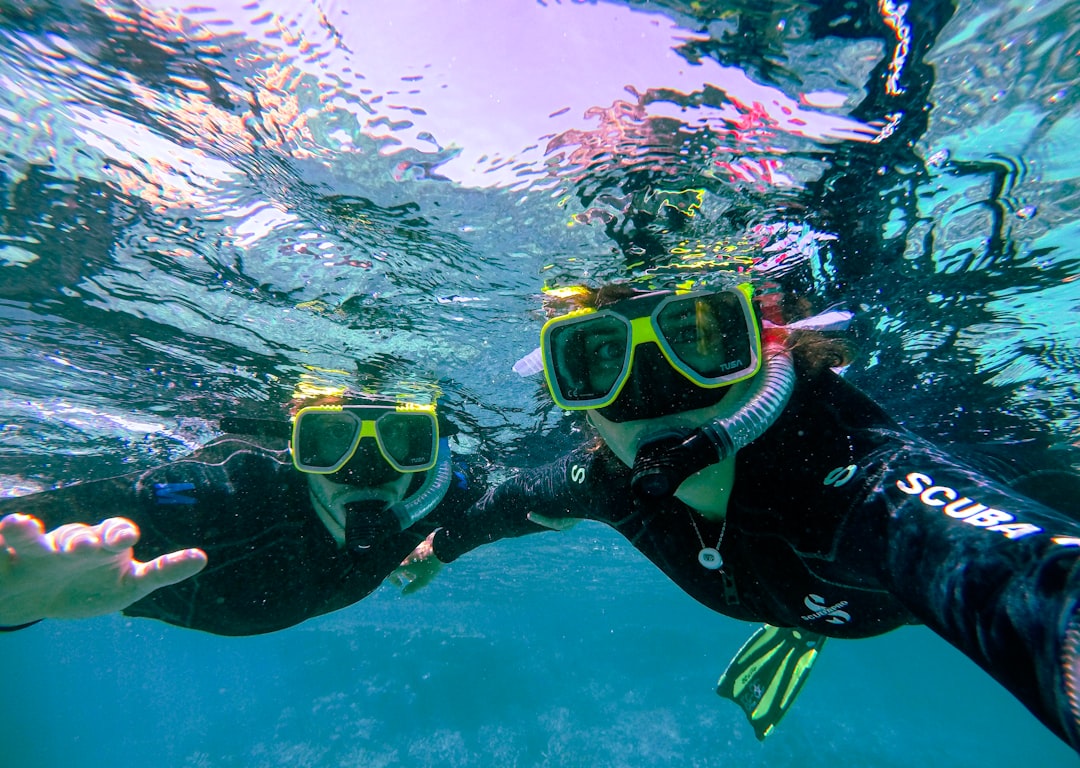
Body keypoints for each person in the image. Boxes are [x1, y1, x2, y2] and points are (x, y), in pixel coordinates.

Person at [406, 280, 1080, 750]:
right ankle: (806, 622)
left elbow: (1027, 581)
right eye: (601, 356)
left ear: (770, 353)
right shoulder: (605, 480)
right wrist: (439, 550)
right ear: (576, 398)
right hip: (808, 597)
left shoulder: (865, 485)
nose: (651, 393)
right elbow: (511, 503)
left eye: (700, 338)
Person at [0, 388, 484, 635]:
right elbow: (25, 536)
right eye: (331, 440)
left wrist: (445, 546)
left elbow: (515, 500)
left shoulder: (440, 489)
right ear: (298, 445)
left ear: (430, 449)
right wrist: (19, 604)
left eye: (402, 441)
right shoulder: (225, 493)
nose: (368, 474)